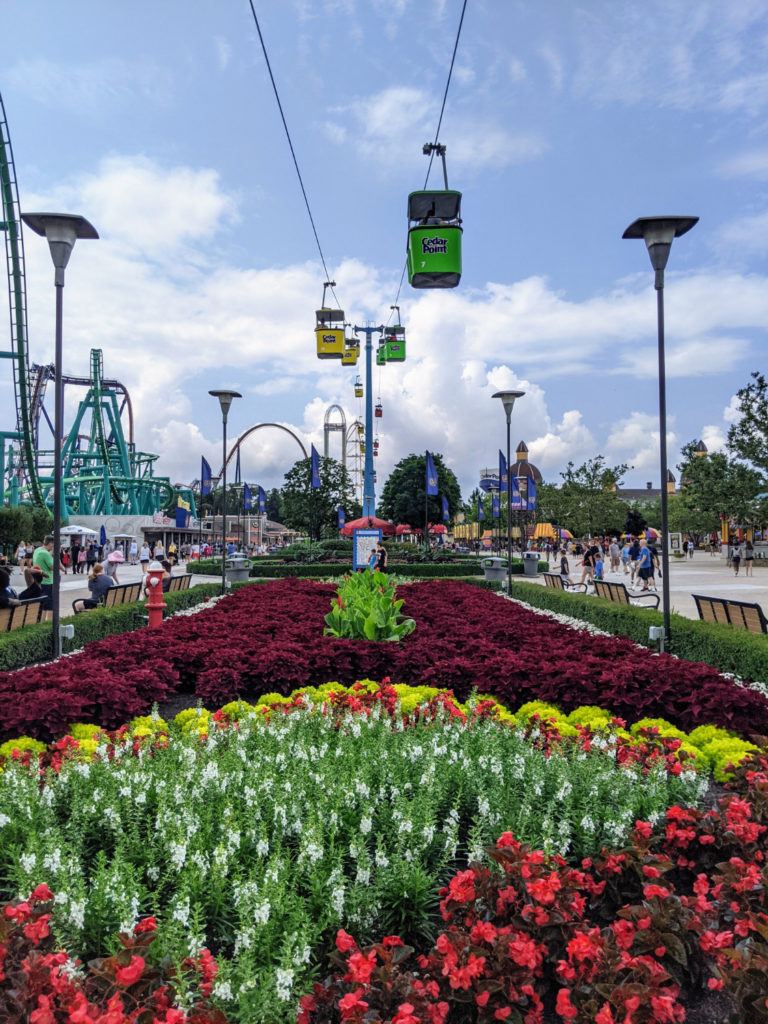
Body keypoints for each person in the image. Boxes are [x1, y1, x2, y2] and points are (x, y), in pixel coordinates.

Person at [32, 536, 55, 621]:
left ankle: (40, 622)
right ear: (50, 543)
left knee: (42, 603)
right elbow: (53, 567)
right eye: (54, 544)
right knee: (49, 605)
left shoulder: (37, 550)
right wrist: (53, 556)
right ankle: (48, 622)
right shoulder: (45, 553)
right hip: (47, 581)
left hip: (39, 580)